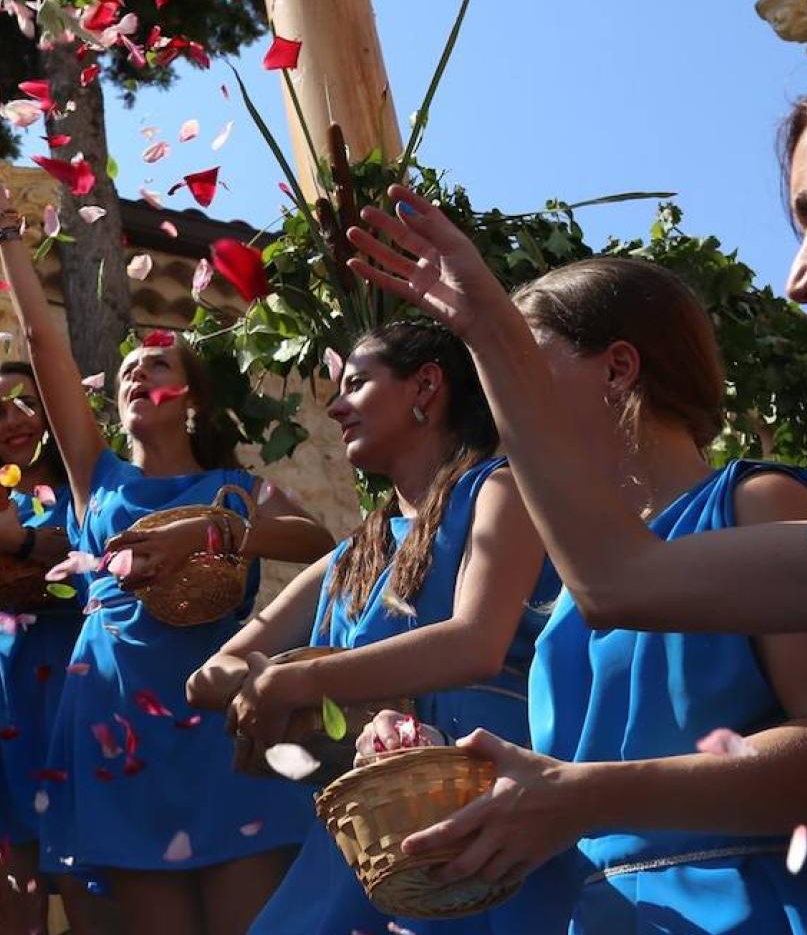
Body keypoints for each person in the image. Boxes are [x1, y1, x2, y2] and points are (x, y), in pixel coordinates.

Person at [341, 252, 807, 931]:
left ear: (618, 368)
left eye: (523, 360)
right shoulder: (573, 590)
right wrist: (438, 767)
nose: (500, 396)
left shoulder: (758, 504)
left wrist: (591, 797)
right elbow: (578, 788)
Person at [0, 159, 335, 935]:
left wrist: (225, 529)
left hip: (223, 727)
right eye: (129, 372)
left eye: (160, 365)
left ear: (194, 397)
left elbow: (321, 544)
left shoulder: (234, 487)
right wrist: (9, 228)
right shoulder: (94, 479)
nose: (140, 374)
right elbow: (45, 346)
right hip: (117, 726)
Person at [341, 64, 807, 637]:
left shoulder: (759, 504)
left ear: (620, 367)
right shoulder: (582, 575)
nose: (798, 280)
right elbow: (615, 584)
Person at [188, 320, 569, 934]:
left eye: (357, 385)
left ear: (426, 386)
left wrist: (301, 685)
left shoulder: (499, 488)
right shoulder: (350, 556)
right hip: (373, 833)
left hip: (482, 806)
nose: (337, 407)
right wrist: (269, 680)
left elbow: (477, 641)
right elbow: (209, 678)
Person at [0, 355, 109, 935]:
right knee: (11, 902)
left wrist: (26, 540)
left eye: (27, 403)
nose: (13, 420)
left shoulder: (93, 486)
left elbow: (103, 555)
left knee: (88, 893)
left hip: (74, 685)